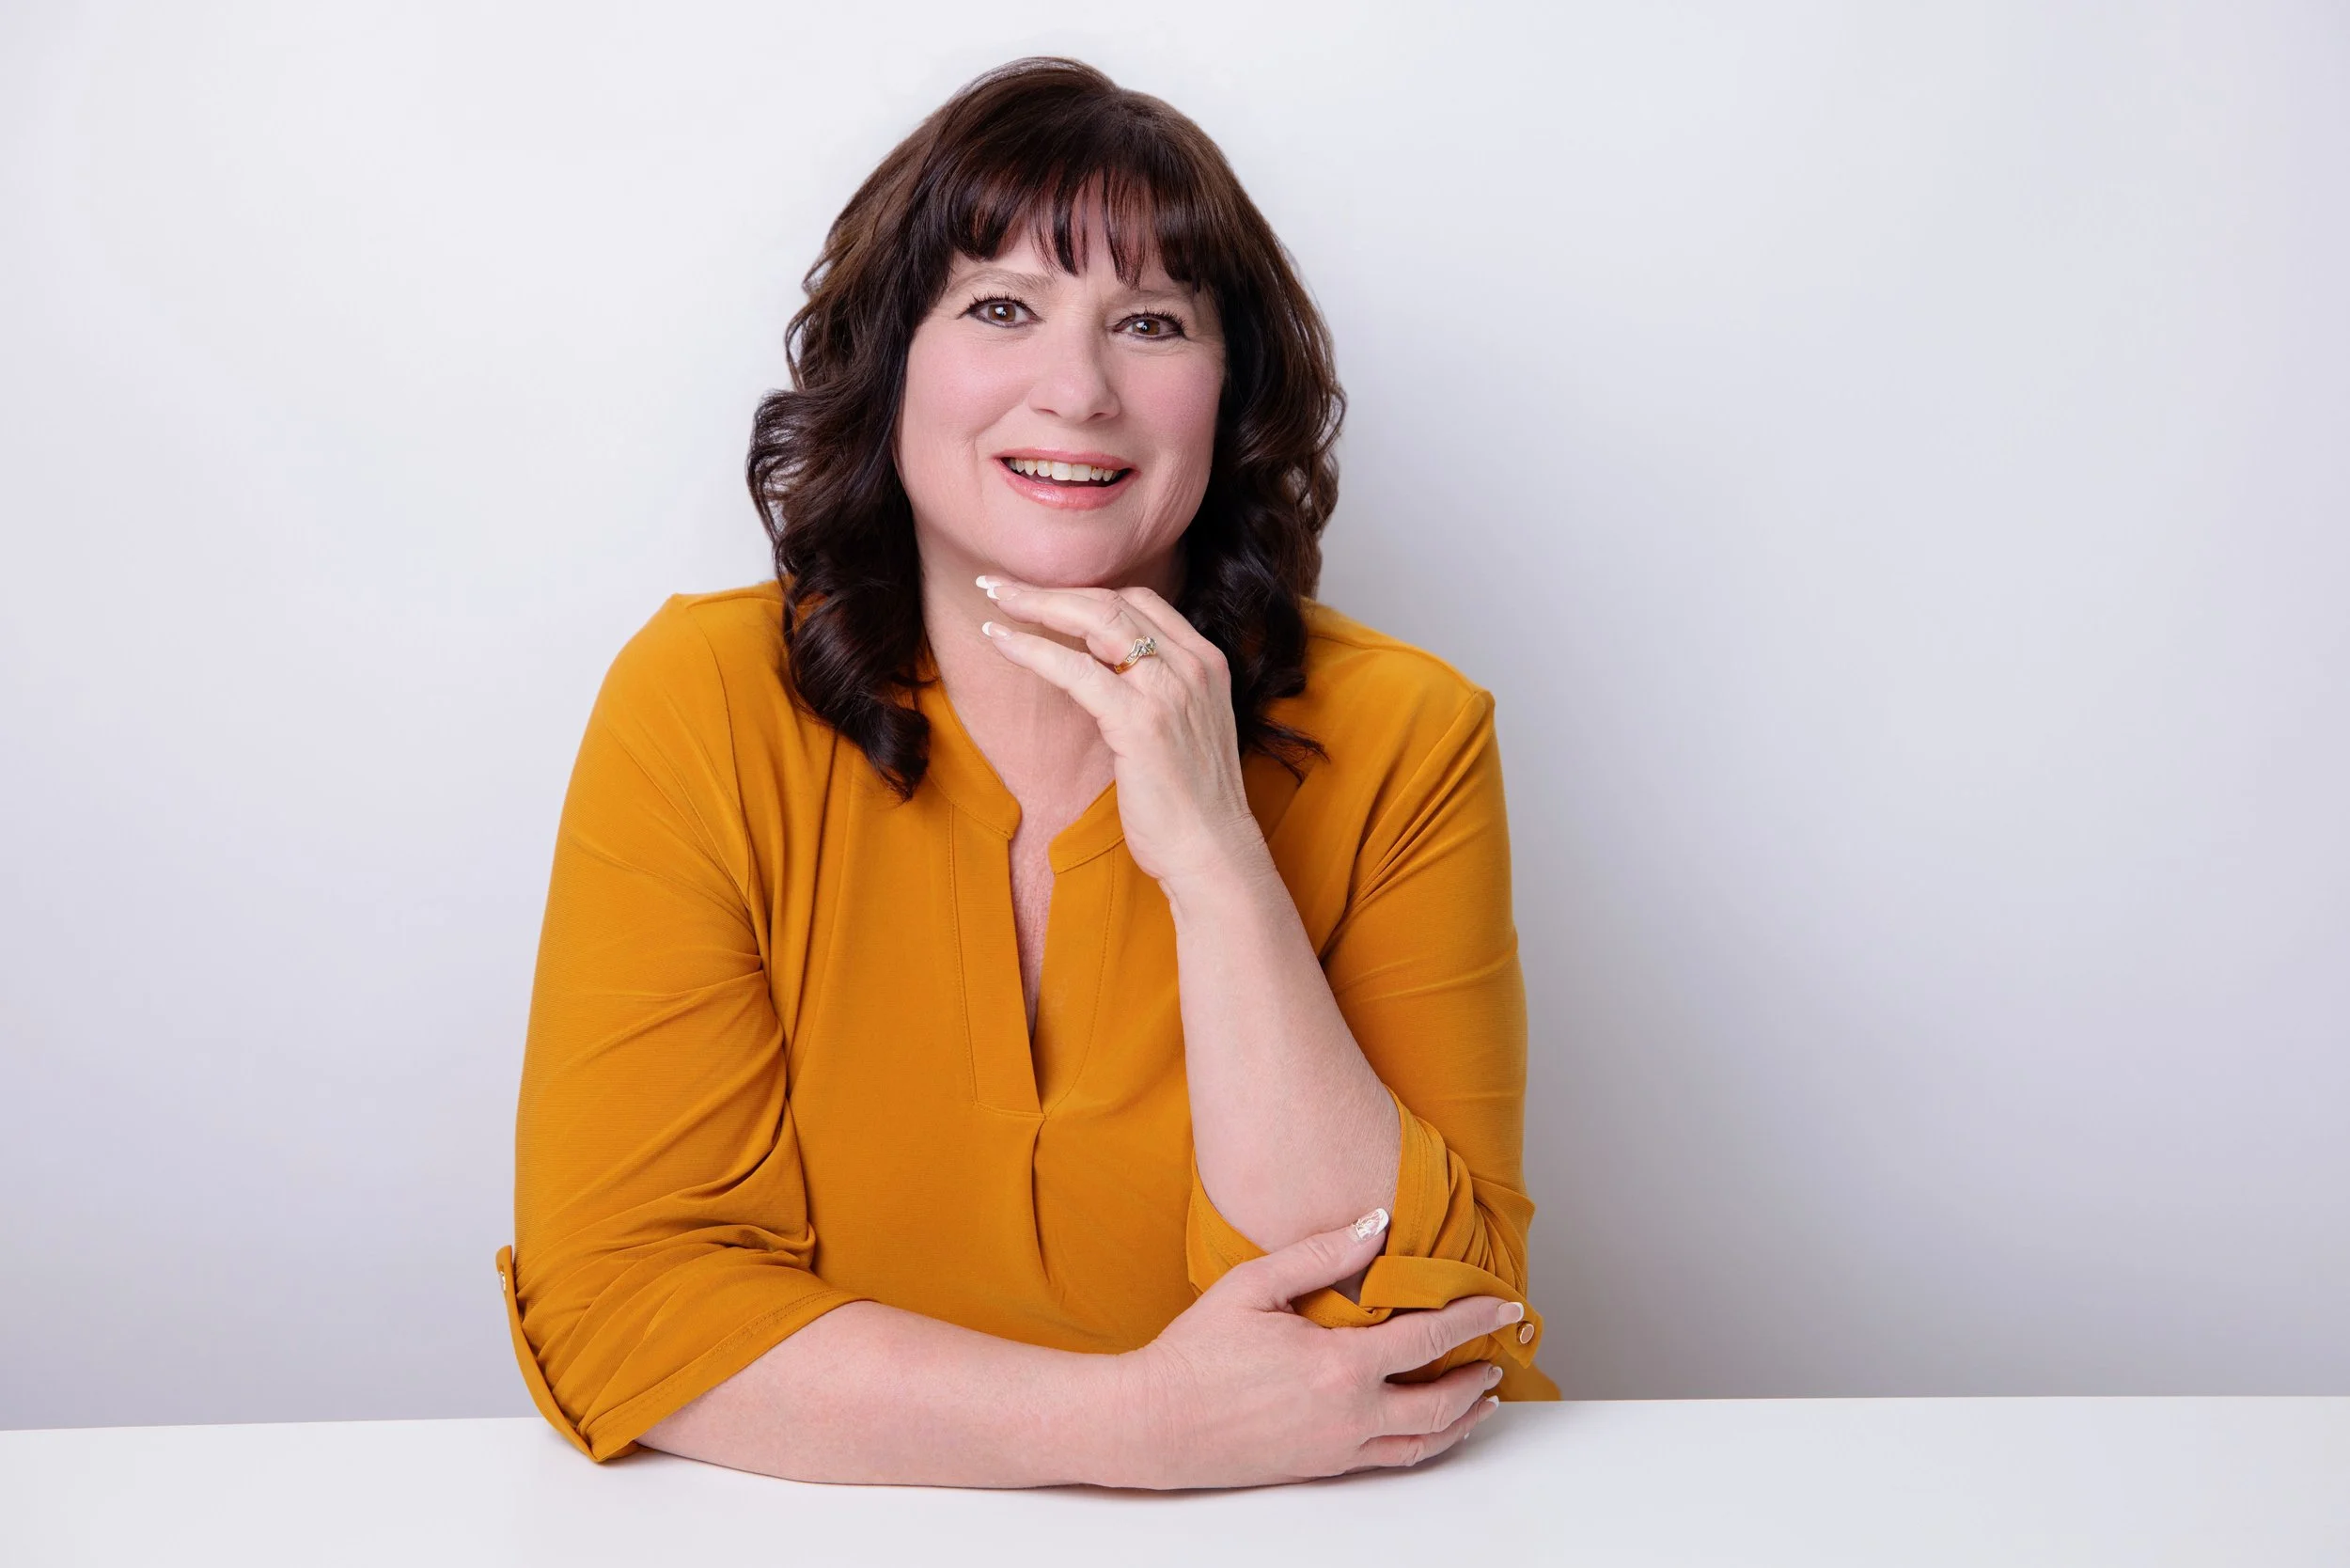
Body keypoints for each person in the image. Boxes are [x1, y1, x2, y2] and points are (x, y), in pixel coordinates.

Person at [498, 55, 1557, 1491]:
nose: (1078, 389)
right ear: (891, 366)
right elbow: (625, 1301)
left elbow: (1411, 1345)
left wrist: (1216, 859)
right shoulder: (701, 706)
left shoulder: (1408, 738)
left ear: (1228, 393)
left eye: (1151, 320)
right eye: (1002, 306)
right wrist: (1133, 1428)